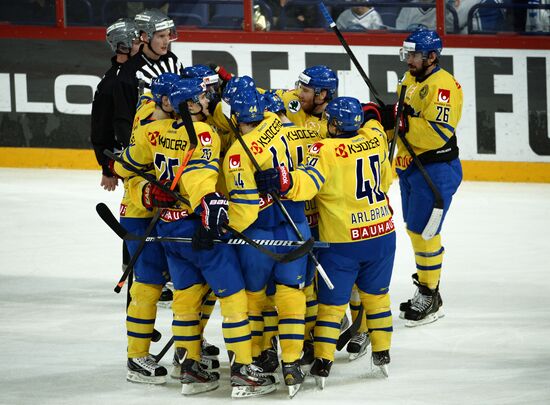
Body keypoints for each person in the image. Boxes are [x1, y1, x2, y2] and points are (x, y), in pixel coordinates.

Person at [117, 77, 276, 397]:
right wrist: (208, 200)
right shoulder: (204, 133)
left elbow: (123, 167)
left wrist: (150, 189)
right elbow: (200, 174)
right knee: (232, 295)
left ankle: (189, 366)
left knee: (186, 297)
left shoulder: (152, 131)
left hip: (167, 226)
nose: (206, 99)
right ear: (187, 105)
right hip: (198, 227)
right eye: (200, 97)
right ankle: (244, 371)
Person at [254, 96, 396, 387]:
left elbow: (306, 183)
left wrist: (282, 180)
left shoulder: (326, 149)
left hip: (343, 241)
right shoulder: (374, 139)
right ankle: (382, 352)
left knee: (331, 305)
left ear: (333, 124)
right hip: (382, 233)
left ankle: (323, 361)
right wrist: (370, 110)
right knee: (378, 297)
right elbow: (375, 123)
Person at [224, 88, 313, 398]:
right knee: (290, 295)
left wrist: (223, 227)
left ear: (236, 117)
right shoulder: (275, 122)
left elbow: (245, 211)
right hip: (295, 223)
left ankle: (259, 355)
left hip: (258, 235)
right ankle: (291, 364)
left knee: (253, 299)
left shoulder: (237, 154)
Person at [382, 28, 462, 327]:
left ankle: (431, 293)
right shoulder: (409, 79)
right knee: (415, 229)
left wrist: (402, 123)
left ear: (432, 56)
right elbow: (402, 119)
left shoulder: (444, 88)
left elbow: (436, 134)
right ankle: (428, 287)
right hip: (411, 167)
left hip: (436, 171)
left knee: (425, 232)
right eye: (407, 53)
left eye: (414, 54)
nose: (409, 59)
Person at [111, 72, 179, 385]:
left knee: (185, 281)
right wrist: (149, 193)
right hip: (142, 212)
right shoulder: (149, 122)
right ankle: (137, 357)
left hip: (164, 212)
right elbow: (128, 172)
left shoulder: (166, 118)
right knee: (149, 283)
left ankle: (188, 343)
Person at [113, 8, 183, 148]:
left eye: (168, 35)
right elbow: (123, 118)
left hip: (176, 139)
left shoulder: (172, 60)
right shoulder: (129, 72)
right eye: (161, 36)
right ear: (145, 37)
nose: (167, 41)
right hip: (147, 142)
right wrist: (133, 152)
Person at [91, 18, 140, 192]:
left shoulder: (143, 70)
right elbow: (100, 127)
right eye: (137, 42)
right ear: (123, 46)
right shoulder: (110, 84)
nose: (143, 45)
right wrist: (106, 167)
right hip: (132, 156)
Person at [277, 65, 339, 139]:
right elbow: (261, 94)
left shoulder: (332, 127)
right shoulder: (290, 97)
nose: (299, 94)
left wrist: (282, 118)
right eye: (301, 88)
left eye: (305, 90)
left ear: (322, 94)